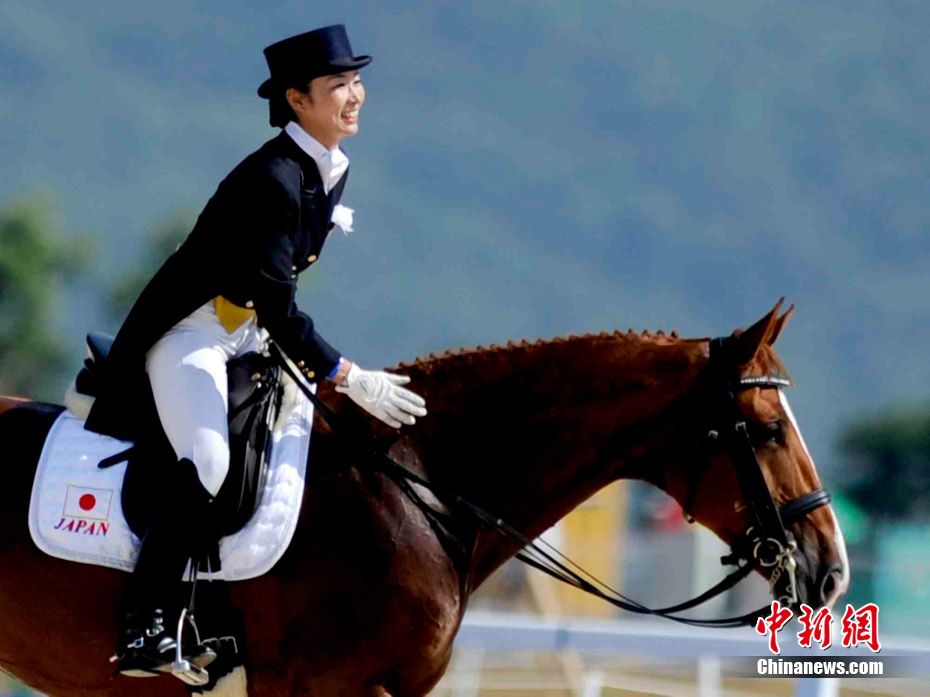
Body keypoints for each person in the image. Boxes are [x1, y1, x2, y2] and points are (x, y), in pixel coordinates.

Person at [83, 24, 427, 678]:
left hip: (243, 332)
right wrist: (348, 374)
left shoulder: (327, 166)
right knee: (210, 458)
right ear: (297, 99)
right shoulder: (272, 177)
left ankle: (218, 608)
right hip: (190, 331)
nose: (355, 95)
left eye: (357, 81)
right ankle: (142, 623)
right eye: (338, 85)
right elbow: (276, 300)